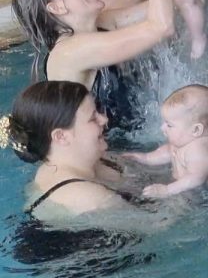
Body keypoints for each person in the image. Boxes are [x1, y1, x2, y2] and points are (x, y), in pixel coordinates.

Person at [12, 0, 179, 134]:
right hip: (113, 158)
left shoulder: (97, 24)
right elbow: (161, 26)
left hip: (132, 143)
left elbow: (143, 2)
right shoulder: (70, 52)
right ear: (56, 7)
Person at [0, 81, 139, 220]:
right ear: (61, 136)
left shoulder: (95, 160)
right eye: (93, 118)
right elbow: (154, 227)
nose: (104, 119)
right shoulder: (89, 199)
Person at [123, 85, 208, 198]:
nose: (162, 128)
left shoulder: (200, 149)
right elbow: (166, 152)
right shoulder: (186, 140)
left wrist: (167, 190)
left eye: (169, 125)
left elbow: (196, 178)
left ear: (196, 130)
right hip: (184, 189)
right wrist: (144, 158)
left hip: (203, 198)